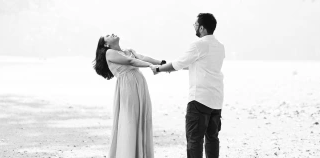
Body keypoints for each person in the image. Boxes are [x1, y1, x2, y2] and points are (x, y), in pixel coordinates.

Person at [152, 13, 225, 158]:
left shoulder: (199, 45)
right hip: (216, 100)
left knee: (194, 139)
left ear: (202, 28)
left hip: (199, 99)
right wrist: (166, 65)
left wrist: (159, 69)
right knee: (212, 138)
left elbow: (179, 64)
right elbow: (193, 65)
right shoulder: (220, 46)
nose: (195, 28)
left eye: (196, 25)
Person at [93, 33, 166, 158]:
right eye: (108, 35)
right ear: (106, 44)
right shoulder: (109, 52)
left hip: (140, 83)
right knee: (130, 119)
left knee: (142, 116)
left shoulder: (128, 50)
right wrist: (150, 66)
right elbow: (130, 61)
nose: (112, 34)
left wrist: (161, 63)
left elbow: (143, 57)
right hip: (127, 85)